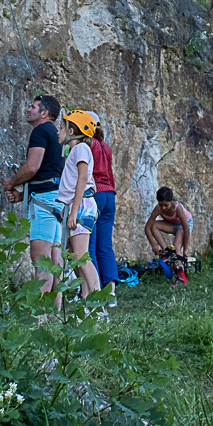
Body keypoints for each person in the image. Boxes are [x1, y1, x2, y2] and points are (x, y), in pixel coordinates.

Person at [0, 95, 65, 297]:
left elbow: (32, 167)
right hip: (54, 198)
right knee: (54, 257)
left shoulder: (39, 131)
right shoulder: (55, 133)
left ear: (44, 113)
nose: (28, 109)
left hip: (44, 202)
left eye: (33, 106)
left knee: (40, 259)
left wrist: (12, 182)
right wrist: (21, 195)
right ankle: (55, 311)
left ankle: (40, 317)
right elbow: (47, 170)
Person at [57, 111, 102, 304]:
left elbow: (82, 178)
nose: (59, 131)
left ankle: (97, 303)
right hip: (77, 205)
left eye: (62, 127)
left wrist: (73, 211)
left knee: (82, 256)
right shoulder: (74, 151)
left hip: (82, 205)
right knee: (74, 255)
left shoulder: (81, 148)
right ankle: (86, 297)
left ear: (72, 130)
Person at [84, 112, 118, 306]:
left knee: (90, 246)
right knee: (105, 245)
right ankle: (111, 292)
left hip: (95, 194)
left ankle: (94, 291)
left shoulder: (89, 144)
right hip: (109, 195)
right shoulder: (106, 146)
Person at [144, 186, 192, 260]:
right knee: (153, 225)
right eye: (161, 205)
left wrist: (185, 249)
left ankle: (180, 268)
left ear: (171, 201)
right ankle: (167, 252)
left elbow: (186, 229)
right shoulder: (158, 209)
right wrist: (154, 244)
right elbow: (147, 227)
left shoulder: (177, 208)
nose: (163, 208)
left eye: (166, 205)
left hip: (184, 226)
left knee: (176, 249)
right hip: (172, 224)